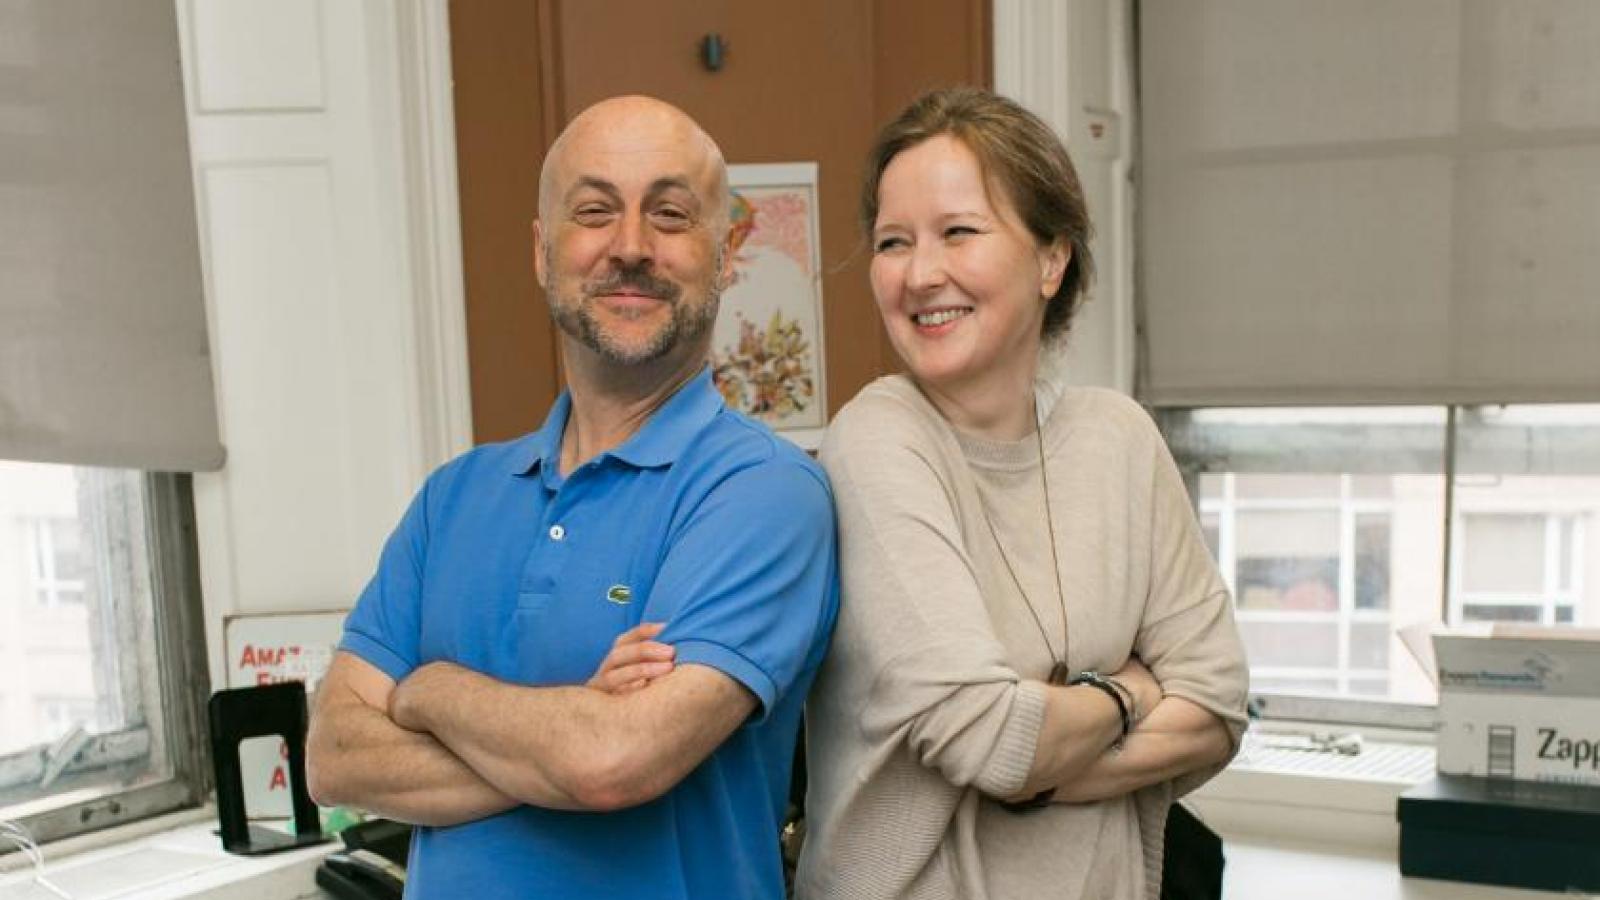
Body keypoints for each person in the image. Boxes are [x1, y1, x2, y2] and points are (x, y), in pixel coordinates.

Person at [306, 95, 839, 900]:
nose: (630, 247)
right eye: (594, 212)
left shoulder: (764, 494)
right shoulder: (450, 500)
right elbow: (335, 757)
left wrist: (429, 691)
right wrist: (566, 727)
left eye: (670, 214)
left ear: (726, 251)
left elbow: (614, 763)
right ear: (541, 251)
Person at [795, 87, 1248, 900]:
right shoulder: (877, 440)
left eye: (958, 232)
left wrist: (1042, 762)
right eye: (893, 242)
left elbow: (1218, 710)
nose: (920, 273)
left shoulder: (1120, 440)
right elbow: (990, 741)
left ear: (1051, 259)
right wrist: (1131, 692)